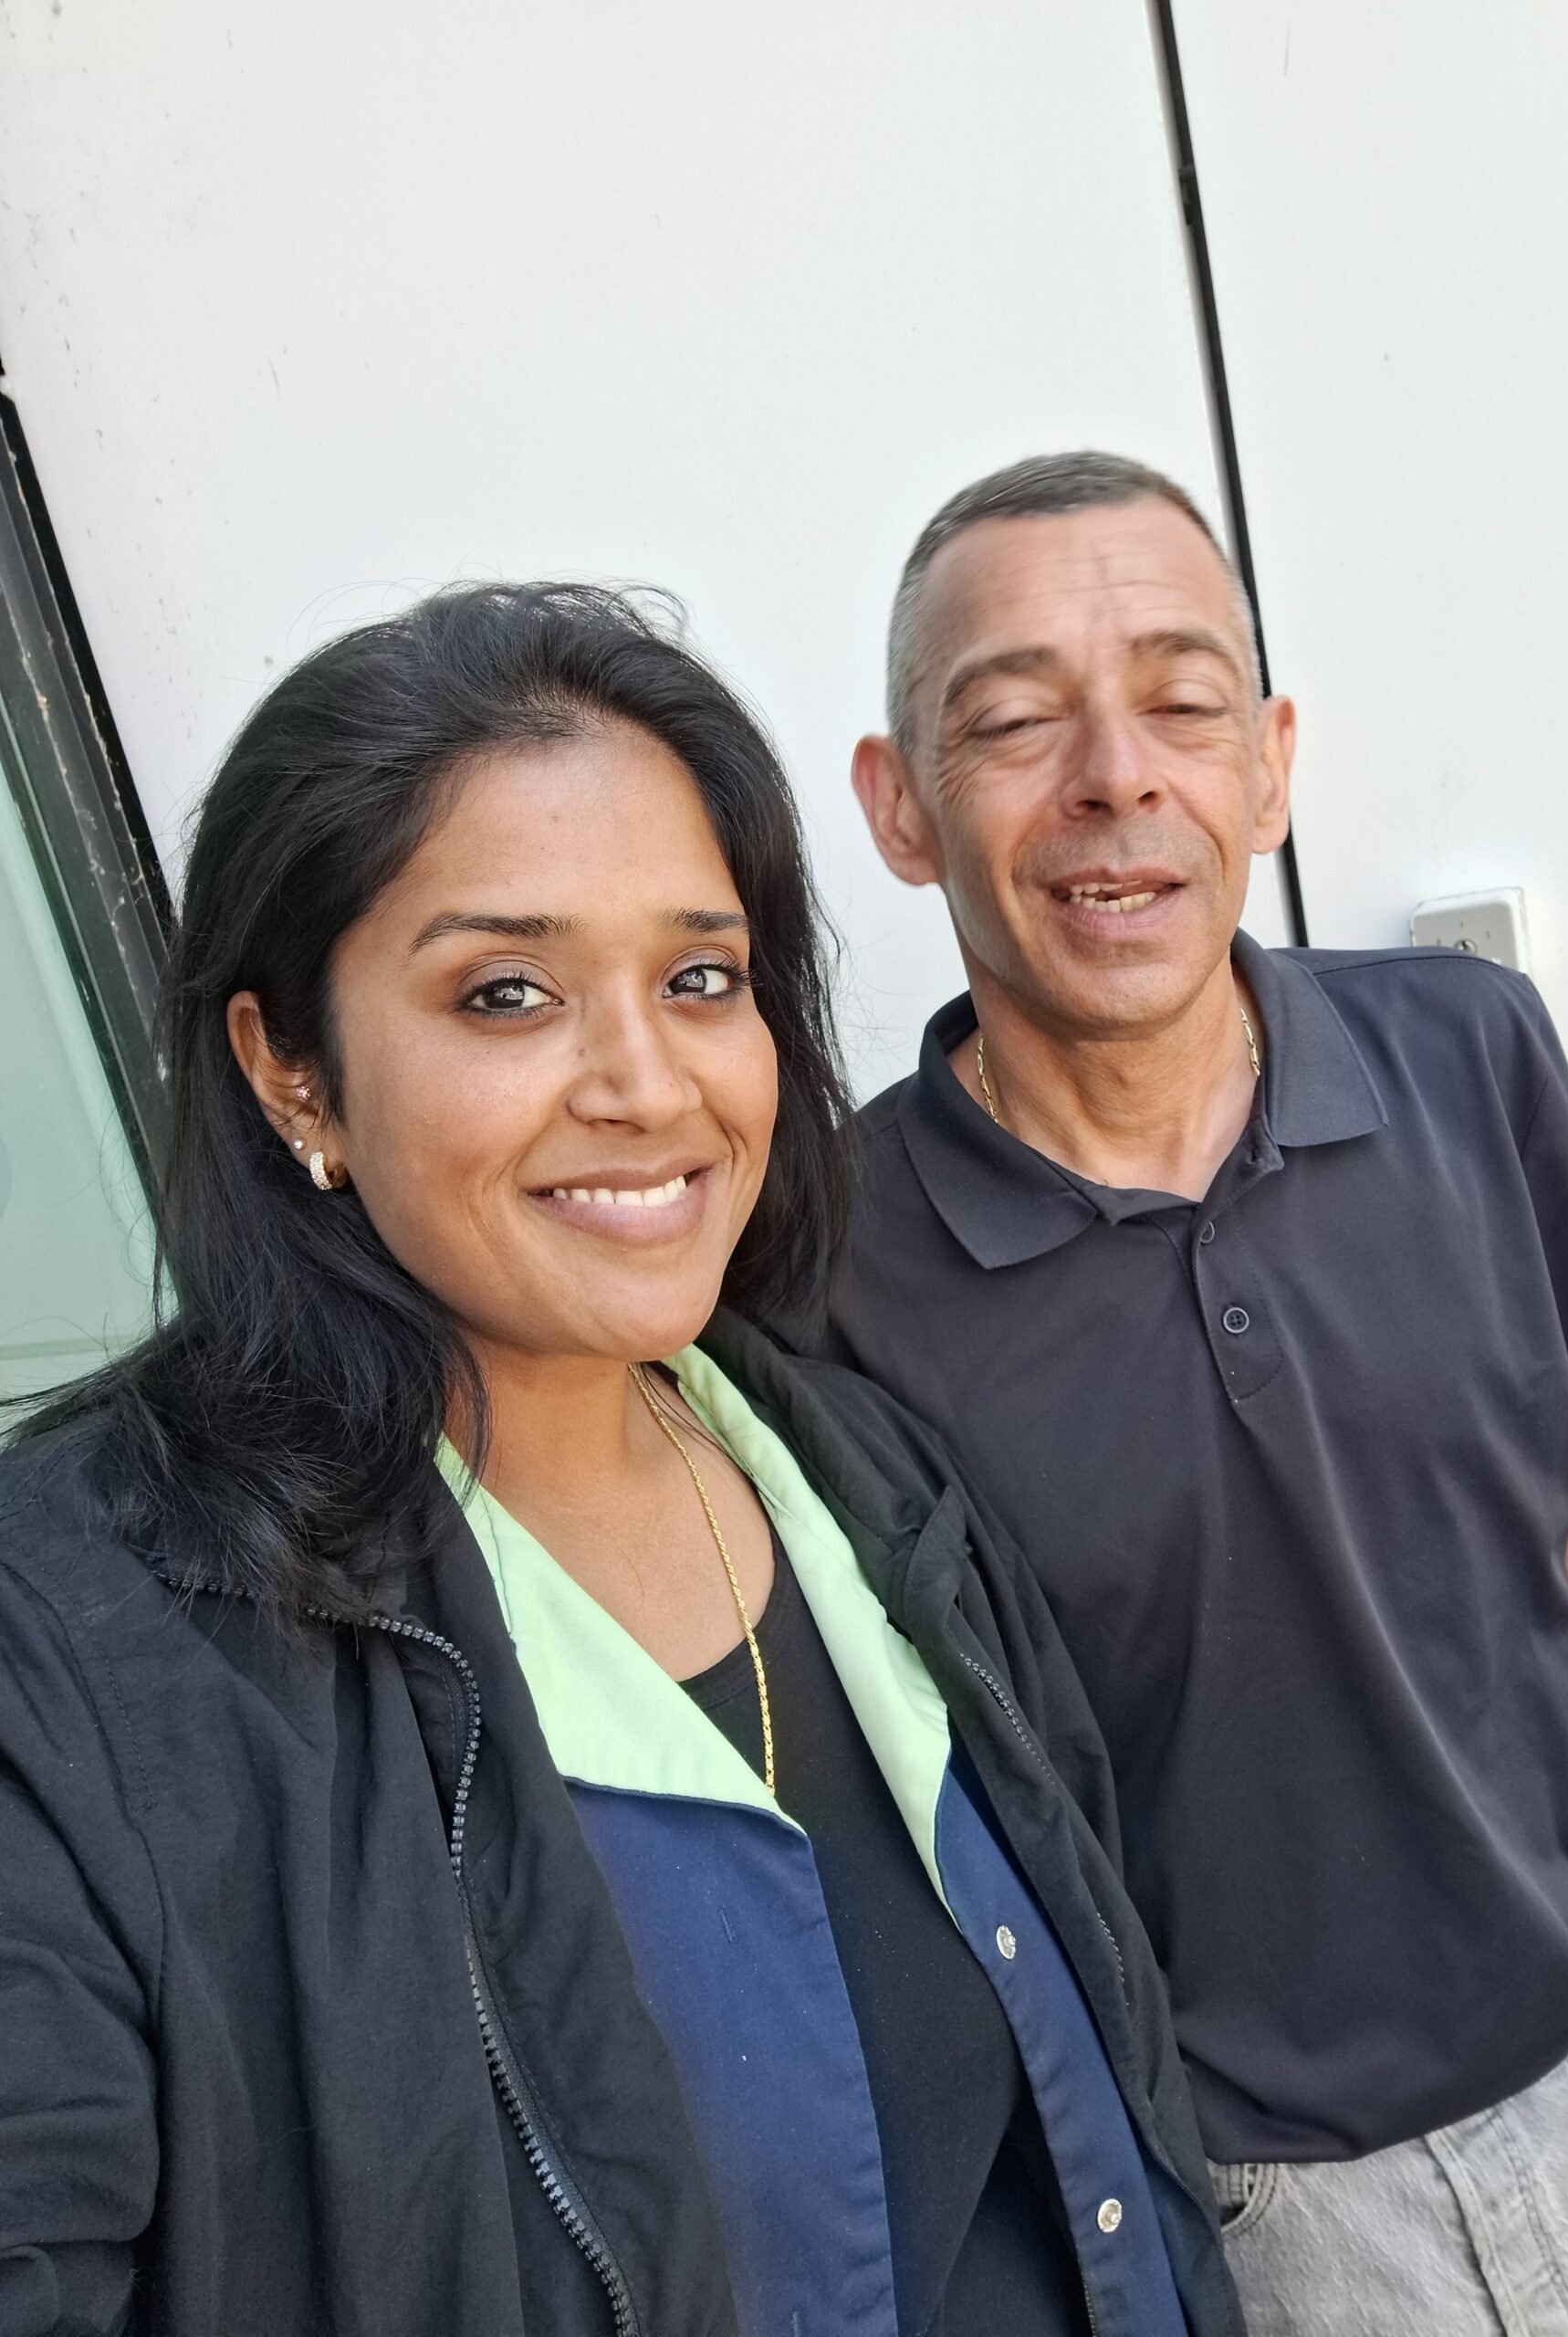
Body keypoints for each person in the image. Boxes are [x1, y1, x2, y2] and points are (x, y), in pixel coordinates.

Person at [0, 582, 1245, 2337]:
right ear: (293, 1073)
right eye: (508, 993)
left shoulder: (854, 1471)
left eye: (699, 978)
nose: (649, 1084)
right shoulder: (76, 1656)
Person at [800, 451, 1568, 2332]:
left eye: (1182, 701)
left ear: (1271, 762)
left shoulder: (1472, 1052)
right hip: (1264, 2208)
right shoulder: (824, 1263)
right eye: (1016, 721)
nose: (1116, 776)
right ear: (901, 806)